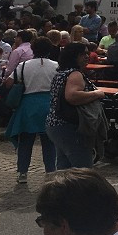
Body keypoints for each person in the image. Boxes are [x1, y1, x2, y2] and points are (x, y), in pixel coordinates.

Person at [5, 36, 59, 184]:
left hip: (28, 105)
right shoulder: (56, 66)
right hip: (49, 104)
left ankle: (22, 172)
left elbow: (8, 83)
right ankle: (50, 172)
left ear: (33, 49)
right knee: (49, 142)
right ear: (50, 49)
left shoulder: (23, 66)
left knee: (26, 141)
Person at [45, 42, 105, 170]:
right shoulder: (75, 74)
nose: (87, 56)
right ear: (73, 56)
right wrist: (97, 94)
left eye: (87, 53)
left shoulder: (61, 73)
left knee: (64, 168)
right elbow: (72, 96)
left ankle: (62, 190)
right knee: (83, 169)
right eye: (83, 54)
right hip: (70, 126)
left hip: (55, 124)